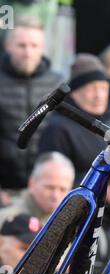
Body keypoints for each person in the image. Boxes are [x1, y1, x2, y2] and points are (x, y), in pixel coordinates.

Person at [0, 16, 63, 192]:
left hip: (48, 188)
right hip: (5, 187)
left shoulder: (58, 84)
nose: (27, 52)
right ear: (8, 47)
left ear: (42, 48)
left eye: (34, 46)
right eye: (21, 45)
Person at [38, 53, 110, 186]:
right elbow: (53, 185)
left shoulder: (108, 122)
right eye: (91, 89)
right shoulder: (57, 129)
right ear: (74, 92)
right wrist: (103, 187)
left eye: (103, 88)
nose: (99, 95)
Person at [0, 151, 75, 229]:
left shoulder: (73, 225)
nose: (55, 196)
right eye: (50, 187)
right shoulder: (6, 220)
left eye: (63, 190)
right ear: (31, 184)